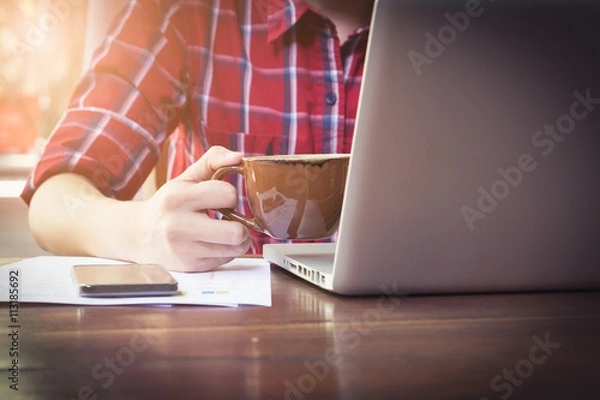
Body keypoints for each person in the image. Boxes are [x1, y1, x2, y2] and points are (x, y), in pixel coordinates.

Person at [21, 0, 374, 272]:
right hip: (223, 339)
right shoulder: (181, 12)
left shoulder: (428, 30)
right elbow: (52, 204)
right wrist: (143, 230)